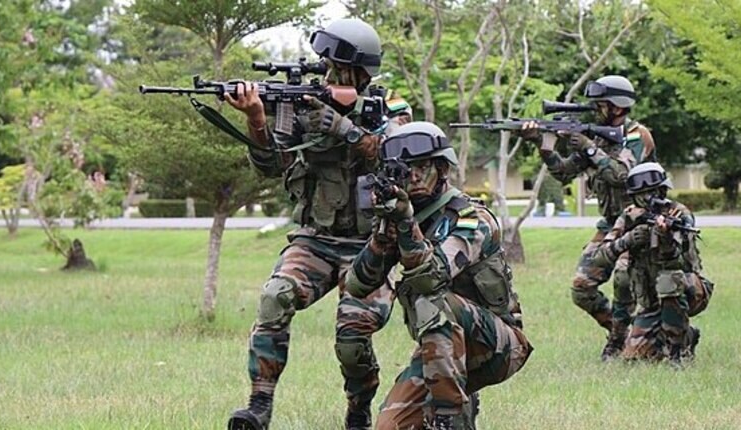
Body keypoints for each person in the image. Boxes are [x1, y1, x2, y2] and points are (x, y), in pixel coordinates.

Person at [223, 18, 412, 430]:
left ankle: (358, 409)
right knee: (275, 296)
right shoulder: (303, 105)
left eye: (335, 68)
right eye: (323, 64)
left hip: (372, 244)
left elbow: (399, 160)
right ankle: (259, 405)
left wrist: (343, 128)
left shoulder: (390, 109)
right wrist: (257, 119)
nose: (325, 74)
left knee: (353, 331)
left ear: (359, 71)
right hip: (315, 240)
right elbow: (272, 167)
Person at [345, 122, 533, 429]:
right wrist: (382, 238)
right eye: (406, 169)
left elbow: (433, 279)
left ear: (443, 168)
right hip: (441, 350)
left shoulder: (473, 219)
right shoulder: (403, 215)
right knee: (388, 426)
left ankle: (448, 418)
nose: (414, 176)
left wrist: (406, 226)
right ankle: (456, 402)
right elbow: (357, 284)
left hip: (498, 345)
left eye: (423, 166)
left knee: (432, 300)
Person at [520, 75, 656, 360]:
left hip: (637, 221)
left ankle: (620, 342)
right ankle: (622, 332)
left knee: (622, 280)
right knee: (582, 287)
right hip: (609, 223)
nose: (596, 109)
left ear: (618, 107)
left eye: (601, 104)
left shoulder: (636, 135)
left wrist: (587, 146)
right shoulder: (594, 137)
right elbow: (563, 172)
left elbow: (620, 175)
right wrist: (542, 145)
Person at [592, 162, 714, 365]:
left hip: (689, 291)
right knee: (634, 359)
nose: (651, 198)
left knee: (668, 280)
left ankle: (678, 352)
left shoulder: (678, 214)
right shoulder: (629, 217)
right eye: (644, 194)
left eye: (655, 192)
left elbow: (679, 262)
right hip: (651, 301)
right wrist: (628, 240)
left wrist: (664, 237)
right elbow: (598, 257)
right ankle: (682, 335)